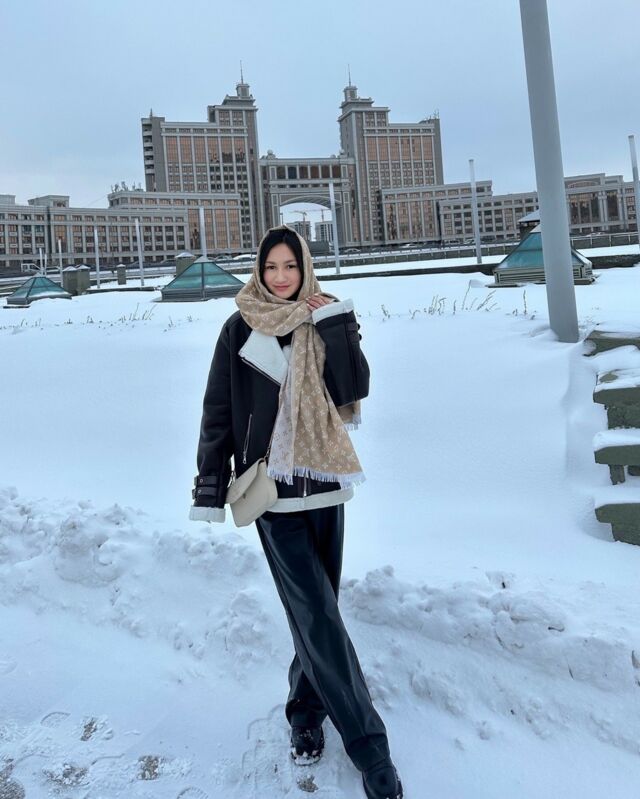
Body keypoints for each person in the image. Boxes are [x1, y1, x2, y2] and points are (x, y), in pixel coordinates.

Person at [190, 225, 403, 799]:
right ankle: (371, 750)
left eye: (290, 266)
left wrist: (335, 323)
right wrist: (210, 484)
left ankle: (304, 711)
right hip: (272, 492)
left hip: (325, 484)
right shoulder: (239, 328)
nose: (280, 277)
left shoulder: (323, 317)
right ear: (258, 272)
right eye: (270, 267)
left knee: (318, 612)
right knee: (316, 614)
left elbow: (353, 388)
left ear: (304, 267)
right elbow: (218, 411)